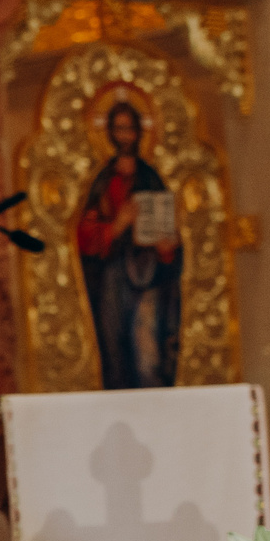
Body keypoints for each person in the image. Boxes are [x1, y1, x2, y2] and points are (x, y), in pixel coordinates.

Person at [76, 100, 181, 389]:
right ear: (109, 133)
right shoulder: (103, 180)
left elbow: (171, 230)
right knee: (114, 350)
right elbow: (85, 234)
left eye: (129, 129)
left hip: (148, 273)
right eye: (118, 129)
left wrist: (167, 247)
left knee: (147, 355)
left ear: (138, 133)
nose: (124, 136)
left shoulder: (151, 177)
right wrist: (118, 225)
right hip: (113, 273)